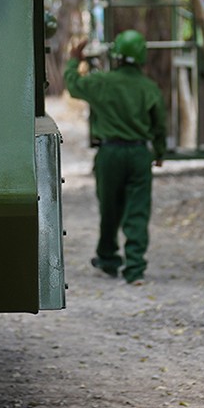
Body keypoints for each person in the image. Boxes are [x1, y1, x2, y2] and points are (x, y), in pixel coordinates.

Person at [64, 29, 166, 286]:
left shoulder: (102, 83)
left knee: (109, 209)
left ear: (117, 56)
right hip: (139, 154)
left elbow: (73, 85)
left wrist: (75, 60)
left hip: (109, 153)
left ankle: (108, 258)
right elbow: (159, 125)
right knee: (138, 210)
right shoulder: (149, 88)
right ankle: (135, 268)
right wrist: (160, 153)